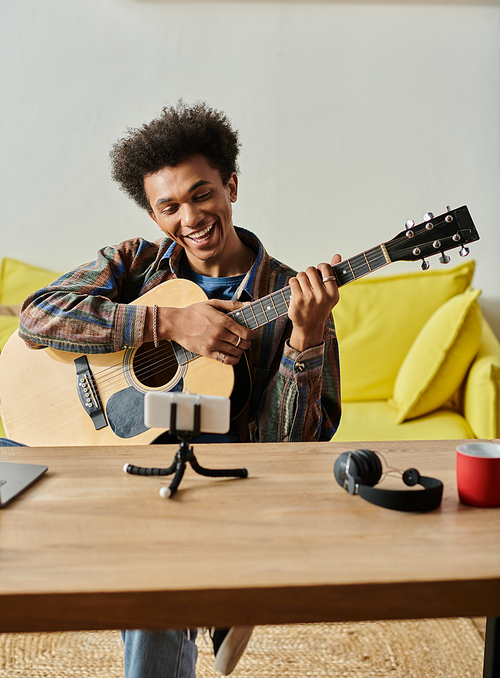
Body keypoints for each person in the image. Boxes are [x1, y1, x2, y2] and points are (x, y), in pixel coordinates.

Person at [14, 101, 342, 677]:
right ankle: (223, 591)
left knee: (151, 578)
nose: (189, 217)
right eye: (169, 206)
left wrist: (305, 340)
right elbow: (36, 317)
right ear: (153, 215)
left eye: (202, 194)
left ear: (231, 186)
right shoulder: (133, 264)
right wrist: (165, 323)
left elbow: (288, 450)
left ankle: (212, 576)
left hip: (203, 481)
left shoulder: (293, 300)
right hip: (95, 455)